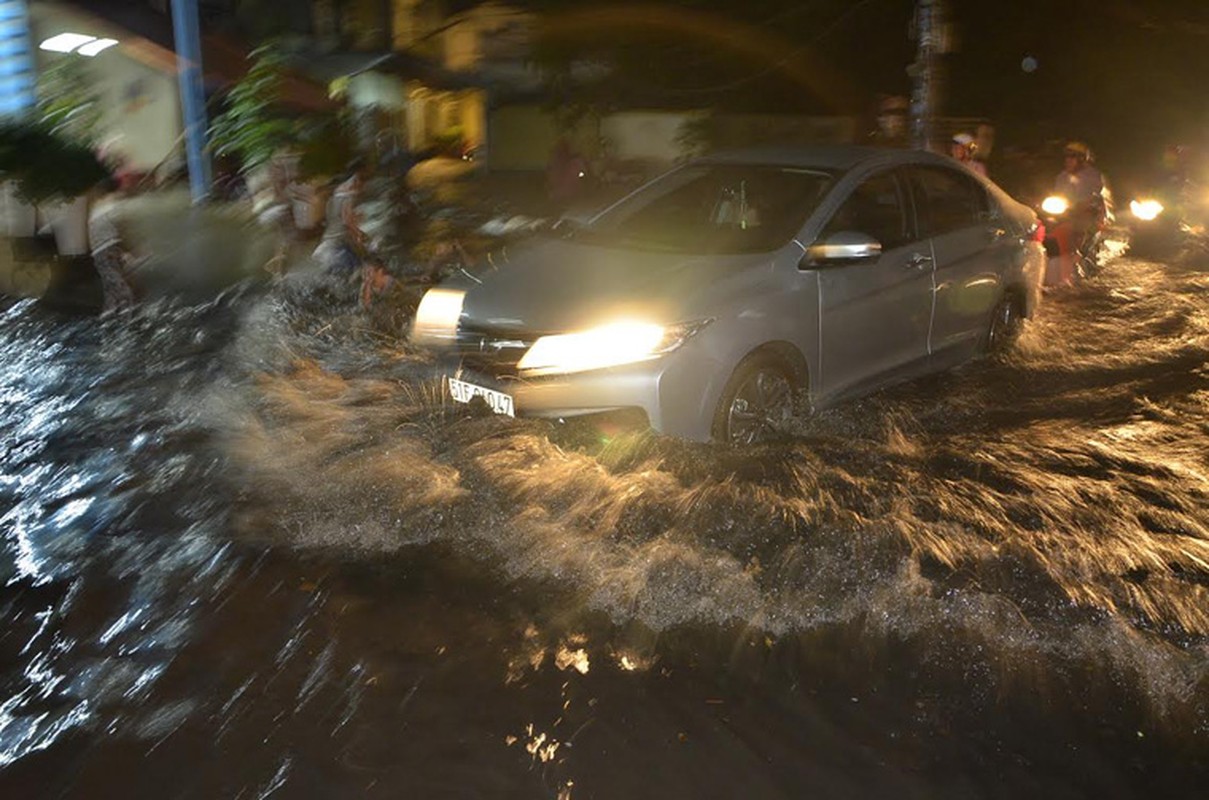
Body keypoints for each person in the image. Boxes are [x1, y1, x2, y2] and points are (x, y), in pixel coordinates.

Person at [1051, 141, 1106, 287]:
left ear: (1081, 159)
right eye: (1066, 157)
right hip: (1067, 214)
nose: (1068, 160)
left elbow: (1092, 196)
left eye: (1072, 157)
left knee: (1078, 230)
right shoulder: (1061, 177)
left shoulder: (1093, 176)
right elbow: (1057, 194)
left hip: (1087, 214)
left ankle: (1077, 266)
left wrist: (1079, 206)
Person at [313, 161, 371, 278]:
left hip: (330, 242)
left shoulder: (335, 197)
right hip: (338, 246)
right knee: (358, 269)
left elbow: (340, 219)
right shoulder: (348, 196)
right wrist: (360, 235)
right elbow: (347, 221)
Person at [88, 176, 138, 312]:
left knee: (112, 286)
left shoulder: (97, 206)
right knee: (123, 285)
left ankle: (112, 313)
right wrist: (131, 251)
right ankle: (132, 311)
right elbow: (121, 228)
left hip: (98, 252)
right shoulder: (114, 203)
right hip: (110, 247)